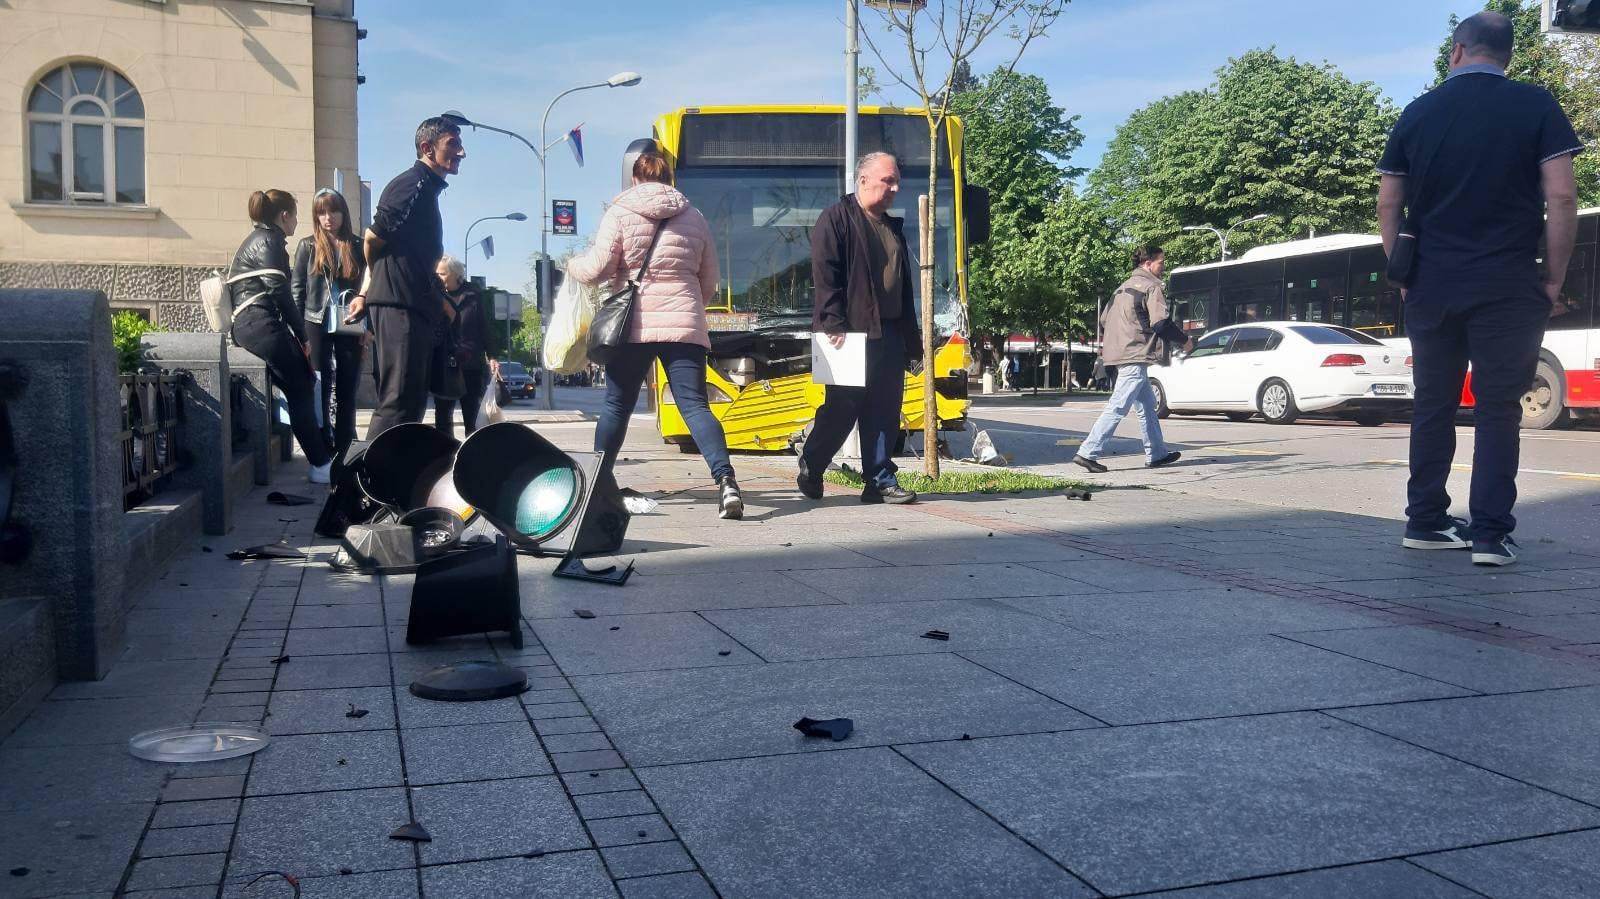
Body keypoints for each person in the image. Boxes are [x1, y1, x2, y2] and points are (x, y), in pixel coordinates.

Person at [1377, 11, 1581, 566]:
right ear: (1506, 56)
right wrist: (1553, 278)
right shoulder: (1536, 105)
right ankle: (1490, 535)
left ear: (1457, 52)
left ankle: (1424, 521)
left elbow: (1389, 202)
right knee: (1497, 410)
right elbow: (1561, 198)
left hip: (1432, 285)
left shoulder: (1417, 112)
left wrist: (1402, 272)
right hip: (1508, 283)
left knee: (1433, 405)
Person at [567, 149, 744, 520]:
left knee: (617, 404)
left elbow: (598, 268)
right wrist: (689, 307)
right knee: (695, 405)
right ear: (669, 178)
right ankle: (726, 482)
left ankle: (598, 484)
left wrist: (572, 266)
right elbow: (709, 279)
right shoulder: (693, 217)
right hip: (684, 325)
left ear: (635, 178)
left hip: (632, 325)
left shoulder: (620, 213)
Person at [796, 152, 921, 505]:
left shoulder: (892, 227)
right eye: (888, 181)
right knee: (843, 408)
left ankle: (879, 479)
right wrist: (832, 321)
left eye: (897, 181)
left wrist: (911, 340)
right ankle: (813, 463)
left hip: (890, 332)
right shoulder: (835, 219)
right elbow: (825, 274)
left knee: (884, 407)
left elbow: (903, 286)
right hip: (847, 333)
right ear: (863, 180)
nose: (895, 188)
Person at [345, 117, 464, 439]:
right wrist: (377, 286)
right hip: (398, 305)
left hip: (411, 304)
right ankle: (368, 480)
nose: (461, 152)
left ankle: (397, 474)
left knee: (410, 400)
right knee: (397, 399)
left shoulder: (426, 189)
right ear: (427, 148)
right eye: (452, 144)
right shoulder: (412, 185)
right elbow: (372, 239)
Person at [228, 189, 334, 482]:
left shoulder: (257, 239)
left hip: (250, 325)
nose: (297, 222)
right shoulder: (269, 241)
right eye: (296, 215)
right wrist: (302, 335)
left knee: (300, 385)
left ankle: (321, 458)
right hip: (261, 325)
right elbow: (280, 292)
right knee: (302, 385)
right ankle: (321, 464)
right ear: (284, 216)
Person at [1072, 245, 1186, 473]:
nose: (1163, 267)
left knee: (1147, 406)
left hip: (1120, 352)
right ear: (1147, 264)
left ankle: (1157, 453)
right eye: (1161, 263)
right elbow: (1160, 323)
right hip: (1135, 353)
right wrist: (1184, 340)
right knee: (1118, 405)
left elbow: (1104, 321)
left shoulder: (1120, 289)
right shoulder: (1152, 287)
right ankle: (1088, 452)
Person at [291, 188, 366, 461]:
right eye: (321, 212)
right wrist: (299, 333)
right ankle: (324, 440)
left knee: (348, 383)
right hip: (315, 320)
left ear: (343, 213)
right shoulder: (307, 246)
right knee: (319, 383)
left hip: (350, 321)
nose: (327, 218)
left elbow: (365, 288)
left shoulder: (357, 246)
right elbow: (297, 290)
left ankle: (347, 442)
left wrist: (366, 328)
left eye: (333, 211)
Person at [431, 256, 489, 436]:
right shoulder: (435, 295)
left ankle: (472, 454)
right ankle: (444, 453)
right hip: (443, 362)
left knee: (471, 414)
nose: (438, 277)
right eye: (437, 274)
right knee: (442, 415)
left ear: (456, 275)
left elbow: (483, 327)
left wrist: (492, 356)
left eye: (442, 273)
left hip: (470, 362)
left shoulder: (473, 295)